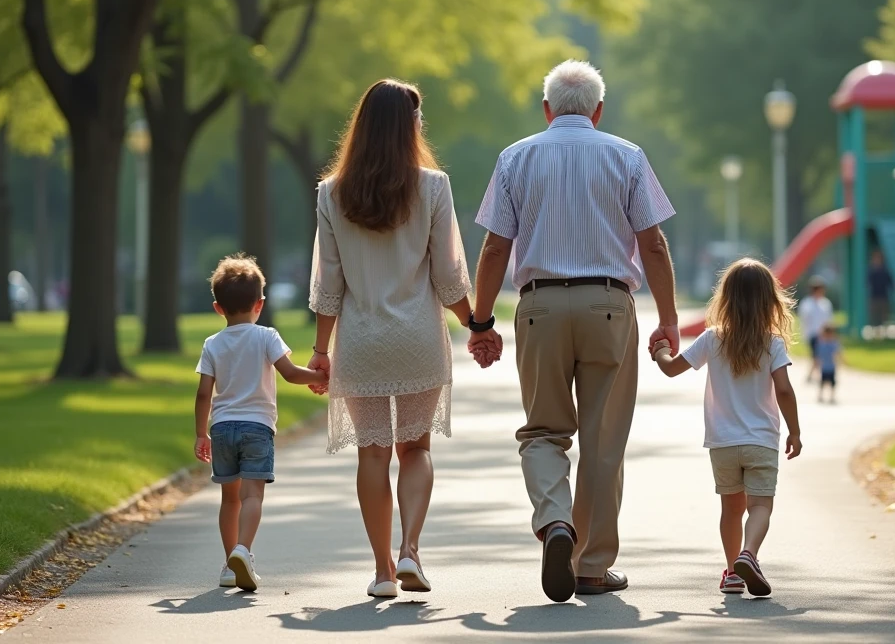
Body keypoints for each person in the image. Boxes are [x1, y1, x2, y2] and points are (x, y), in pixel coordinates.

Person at [469, 60, 678, 602]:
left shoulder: (515, 158)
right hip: (609, 303)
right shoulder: (627, 156)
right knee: (603, 440)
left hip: (539, 307)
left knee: (543, 430)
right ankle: (591, 565)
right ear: (598, 110)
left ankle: (556, 521)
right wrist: (670, 319)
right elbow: (653, 243)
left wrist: (482, 321)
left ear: (547, 109)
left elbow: (495, 247)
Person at [306, 79, 474, 599]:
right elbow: (448, 276)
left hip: (361, 340)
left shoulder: (332, 193)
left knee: (372, 455)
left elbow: (328, 282)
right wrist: (476, 324)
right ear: (410, 127)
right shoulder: (433, 186)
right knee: (416, 448)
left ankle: (381, 571)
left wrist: (319, 350)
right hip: (418, 336)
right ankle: (411, 552)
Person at [650, 258, 802, 597]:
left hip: (723, 444)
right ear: (770, 302)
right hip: (761, 441)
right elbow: (785, 390)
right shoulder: (772, 343)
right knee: (760, 507)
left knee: (731, 510)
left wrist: (660, 351)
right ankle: (750, 553)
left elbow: (672, 368)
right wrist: (795, 430)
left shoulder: (711, 339)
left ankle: (733, 571)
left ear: (726, 299)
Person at [194, 254, 329, 591]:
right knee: (253, 496)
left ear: (218, 308)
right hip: (257, 428)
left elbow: (203, 395)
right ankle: (244, 549)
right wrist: (321, 377)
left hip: (222, 428)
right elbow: (290, 373)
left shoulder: (212, 345)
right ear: (260, 304)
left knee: (230, 499)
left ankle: (229, 564)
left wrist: (201, 433)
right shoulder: (267, 336)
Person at [797, 276, 833, 383]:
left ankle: (812, 375)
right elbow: (804, 320)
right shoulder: (807, 304)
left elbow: (829, 319)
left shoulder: (825, 303)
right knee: (816, 356)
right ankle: (816, 375)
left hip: (824, 335)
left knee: (819, 356)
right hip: (812, 334)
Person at [867, 250, 893, 336]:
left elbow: (889, 282)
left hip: (883, 296)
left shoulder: (885, 271)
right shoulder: (871, 271)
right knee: (875, 317)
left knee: (884, 316)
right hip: (874, 296)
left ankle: (883, 334)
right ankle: (876, 334)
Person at [814, 324, 842, 404]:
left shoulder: (834, 343)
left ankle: (832, 396)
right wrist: (816, 364)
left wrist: (841, 361)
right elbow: (818, 355)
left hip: (832, 366)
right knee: (822, 382)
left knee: (832, 382)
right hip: (824, 367)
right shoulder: (821, 344)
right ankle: (820, 395)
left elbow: (838, 352)